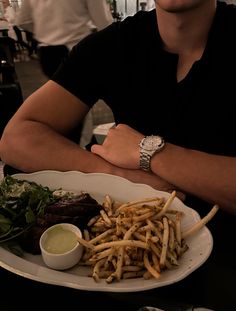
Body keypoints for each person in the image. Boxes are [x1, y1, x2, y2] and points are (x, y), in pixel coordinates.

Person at [0, 0, 236, 216]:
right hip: (133, 234)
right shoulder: (117, 43)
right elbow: (15, 139)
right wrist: (118, 175)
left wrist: (150, 153)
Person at [15, 0, 113, 78]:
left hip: (47, 52)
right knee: (83, 96)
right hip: (76, 50)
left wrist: (45, 32)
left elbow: (23, 21)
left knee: (61, 96)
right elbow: (103, 22)